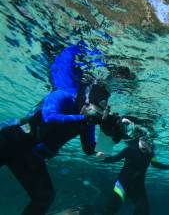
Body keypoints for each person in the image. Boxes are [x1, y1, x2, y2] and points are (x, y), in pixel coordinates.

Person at [0, 42, 124, 215]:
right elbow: (48, 116)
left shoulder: (86, 122)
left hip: (30, 155)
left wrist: (109, 138)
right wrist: (84, 118)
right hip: (11, 139)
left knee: (44, 196)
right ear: (86, 98)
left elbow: (88, 149)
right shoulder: (63, 95)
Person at [83, 136, 169, 215]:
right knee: (111, 210)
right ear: (140, 140)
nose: (148, 146)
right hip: (122, 184)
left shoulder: (151, 153)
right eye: (145, 142)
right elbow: (114, 159)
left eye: (149, 143)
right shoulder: (129, 150)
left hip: (138, 187)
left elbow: (155, 164)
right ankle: (84, 210)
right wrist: (102, 158)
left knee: (143, 210)